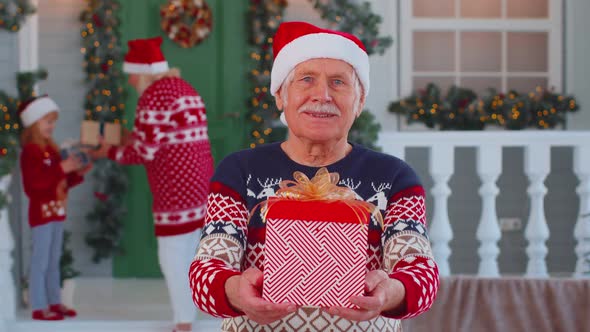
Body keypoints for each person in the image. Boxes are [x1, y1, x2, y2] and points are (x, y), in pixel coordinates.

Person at [189, 21, 440, 331]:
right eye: (306, 79)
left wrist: (391, 292)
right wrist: (234, 291)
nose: (322, 95)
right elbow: (206, 271)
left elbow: (422, 276)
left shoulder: (394, 178)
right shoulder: (240, 172)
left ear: (359, 102)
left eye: (339, 82)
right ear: (280, 95)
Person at [89, 36, 214, 332]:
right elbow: (162, 137)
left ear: (143, 71)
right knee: (198, 251)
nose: (131, 81)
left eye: (132, 73)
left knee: (172, 255)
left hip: (175, 189)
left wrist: (108, 151)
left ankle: (184, 322)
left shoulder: (152, 96)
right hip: (202, 183)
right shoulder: (184, 88)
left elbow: (144, 151)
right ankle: (201, 308)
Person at [19, 95, 91, 321]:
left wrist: (76, 173)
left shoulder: (50, 149)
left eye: (53, 122)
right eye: (47, 121)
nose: (51, 126)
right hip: (41, 215)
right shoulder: (31, 152)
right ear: (33, 123)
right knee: (41, 260)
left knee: (54, 259)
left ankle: (54, 301)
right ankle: (38, 306)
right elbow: (35, 185)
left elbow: (60, 182)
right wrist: (62, 168)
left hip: (57, 211)